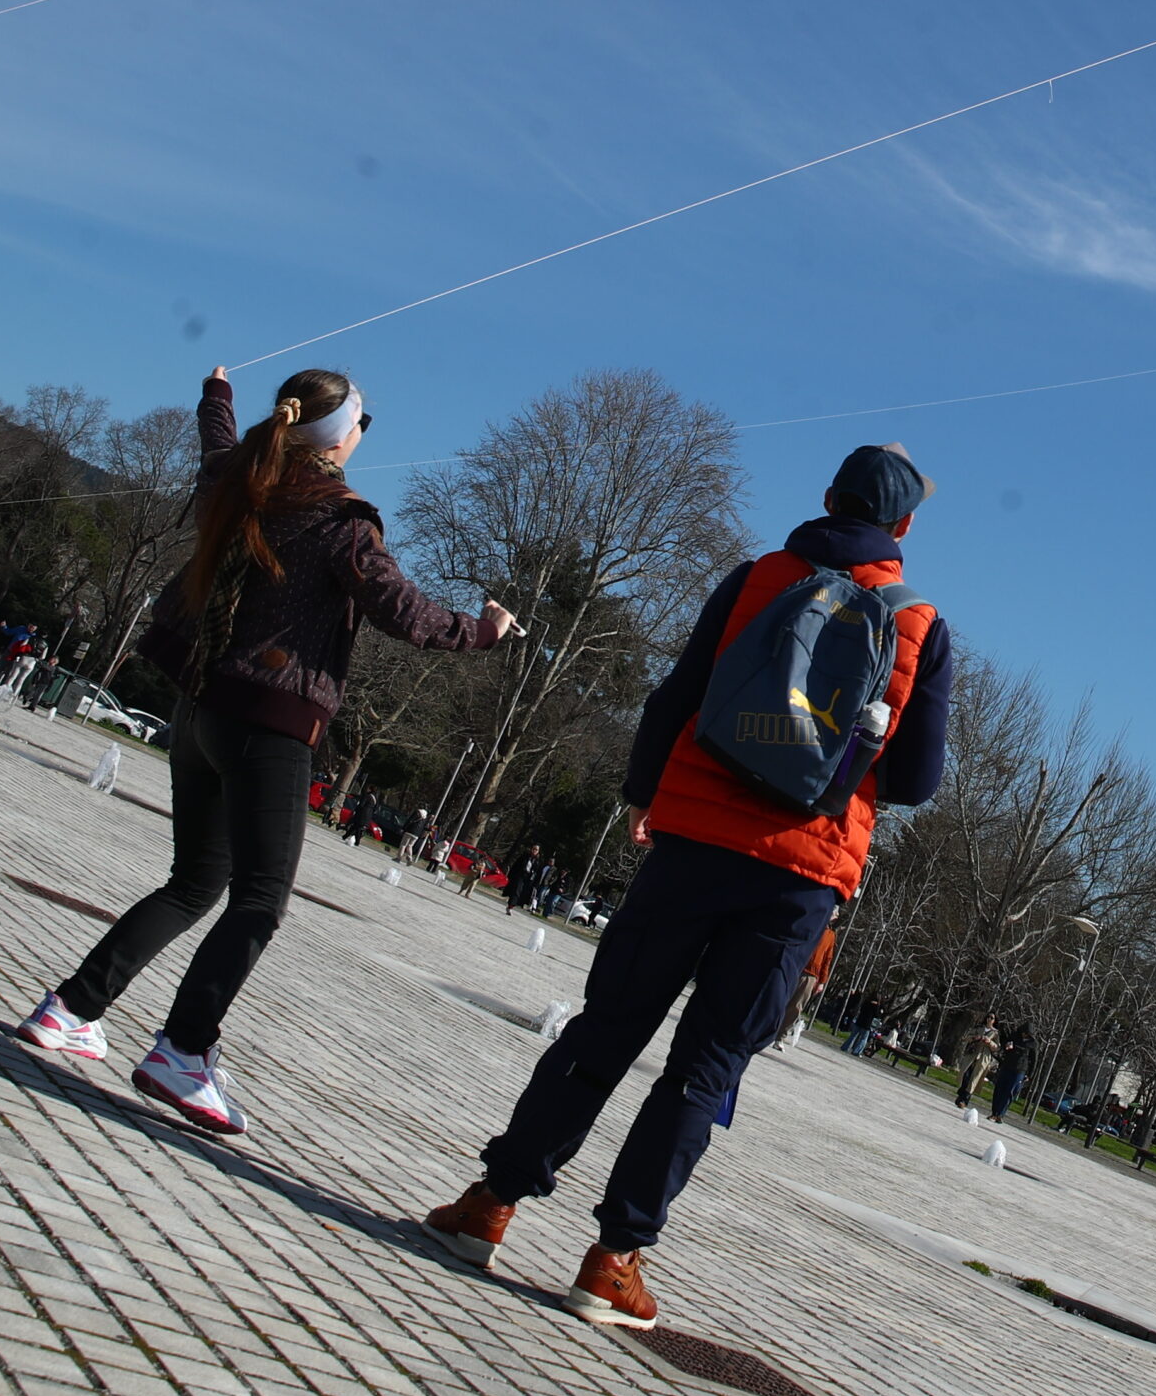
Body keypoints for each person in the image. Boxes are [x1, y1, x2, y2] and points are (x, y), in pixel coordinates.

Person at [424, 443, 952, 1330]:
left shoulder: (755, 577)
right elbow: (915, 780)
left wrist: (644, 794)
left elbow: (676, 695)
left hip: (694, 840)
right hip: (799, 878)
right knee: (703, 1070)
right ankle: (614, 1259)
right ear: (901, 527)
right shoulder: (920, 626)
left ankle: (490, 1205)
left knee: (605, 1029)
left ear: (826, 496)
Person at [15, 367, 513, 1136]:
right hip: (270, 728)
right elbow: (408, 615)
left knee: (192, 884)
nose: (361, 432)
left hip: (200, 711)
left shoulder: (241, 478)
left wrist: (217, 394)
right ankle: (184, 1050)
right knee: (257, 900)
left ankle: (71, 1008)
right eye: (359, 420)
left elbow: (219, 441)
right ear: (335, 436)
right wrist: (483, 629)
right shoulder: (341, 524)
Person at [771, 907, 841, 1052]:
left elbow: (827, 959)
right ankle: (764, 1029)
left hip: (810, 975)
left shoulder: (830, 935)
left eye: (834, 914)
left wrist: (822, 981)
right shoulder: (811, 923)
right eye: (833, 912)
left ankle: (780, 1036)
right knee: (778, 998)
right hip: (795, 966)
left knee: (796, 1007)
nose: (834, 916)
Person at [989, 1019, 1034, 1119]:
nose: (1024, 1035)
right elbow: (1004, 1046)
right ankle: (994, 1112)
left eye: (1027, 1034)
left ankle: (1000, 1114)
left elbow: (1033, 1061)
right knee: (999, 1089)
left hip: (1019, 1070)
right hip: (1007, 1066)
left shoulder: (1032, 1044)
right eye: (1024, 1033)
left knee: (1010, 1092)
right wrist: (1007, 1047)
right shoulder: (1014, 1036)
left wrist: (1029, 1075)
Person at [955, 1015, 1002, 1109]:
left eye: (992, 1018)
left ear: (994, 1021)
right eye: (988, 1017)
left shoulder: (995, 1033)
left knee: (974, 1079)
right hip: (972, 1054)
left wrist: (989, 1042)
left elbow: (997, 1047)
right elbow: (966, 1037)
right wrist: (975, 1038)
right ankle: (961, 1094)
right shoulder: (979, 1028)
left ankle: (964, 1100)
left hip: (984, 1056)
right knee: (965, 1074)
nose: (989, 1019)